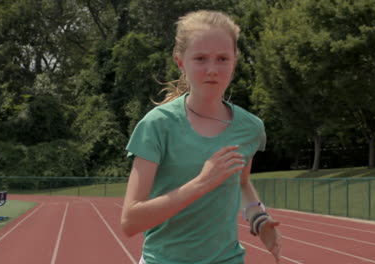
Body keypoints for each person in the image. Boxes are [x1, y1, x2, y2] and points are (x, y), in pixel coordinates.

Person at [121, 10, 282, 264]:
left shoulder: (250, 128)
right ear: (180, 62)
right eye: (200, 59)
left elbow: (240, 183)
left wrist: (259, 218)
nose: (212, 70)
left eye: (222, 59)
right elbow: (130, 221)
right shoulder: (157, 126)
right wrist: (201, 183)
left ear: (234, 62)